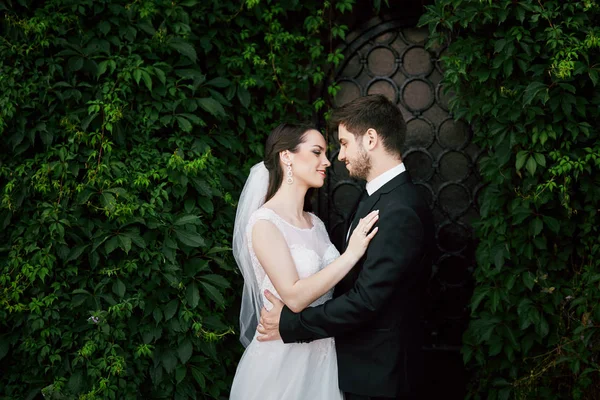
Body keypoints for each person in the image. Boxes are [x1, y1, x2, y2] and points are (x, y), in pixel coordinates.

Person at [257, 95, 435, 400]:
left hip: (380, 377)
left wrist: (291, 324)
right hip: (350, 368)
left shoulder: (400, 208)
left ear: (370, 139)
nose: (338, 156)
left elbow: (366, 300)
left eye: (343, 143)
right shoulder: (373, 197)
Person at [229, 123, 380, 400]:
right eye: (316, 152)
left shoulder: (316, 224)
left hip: (323, 357)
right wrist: (351, 255)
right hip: (282, 362)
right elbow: (295, 297)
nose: (326, 162)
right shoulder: (264, 224)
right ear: (286, 156)